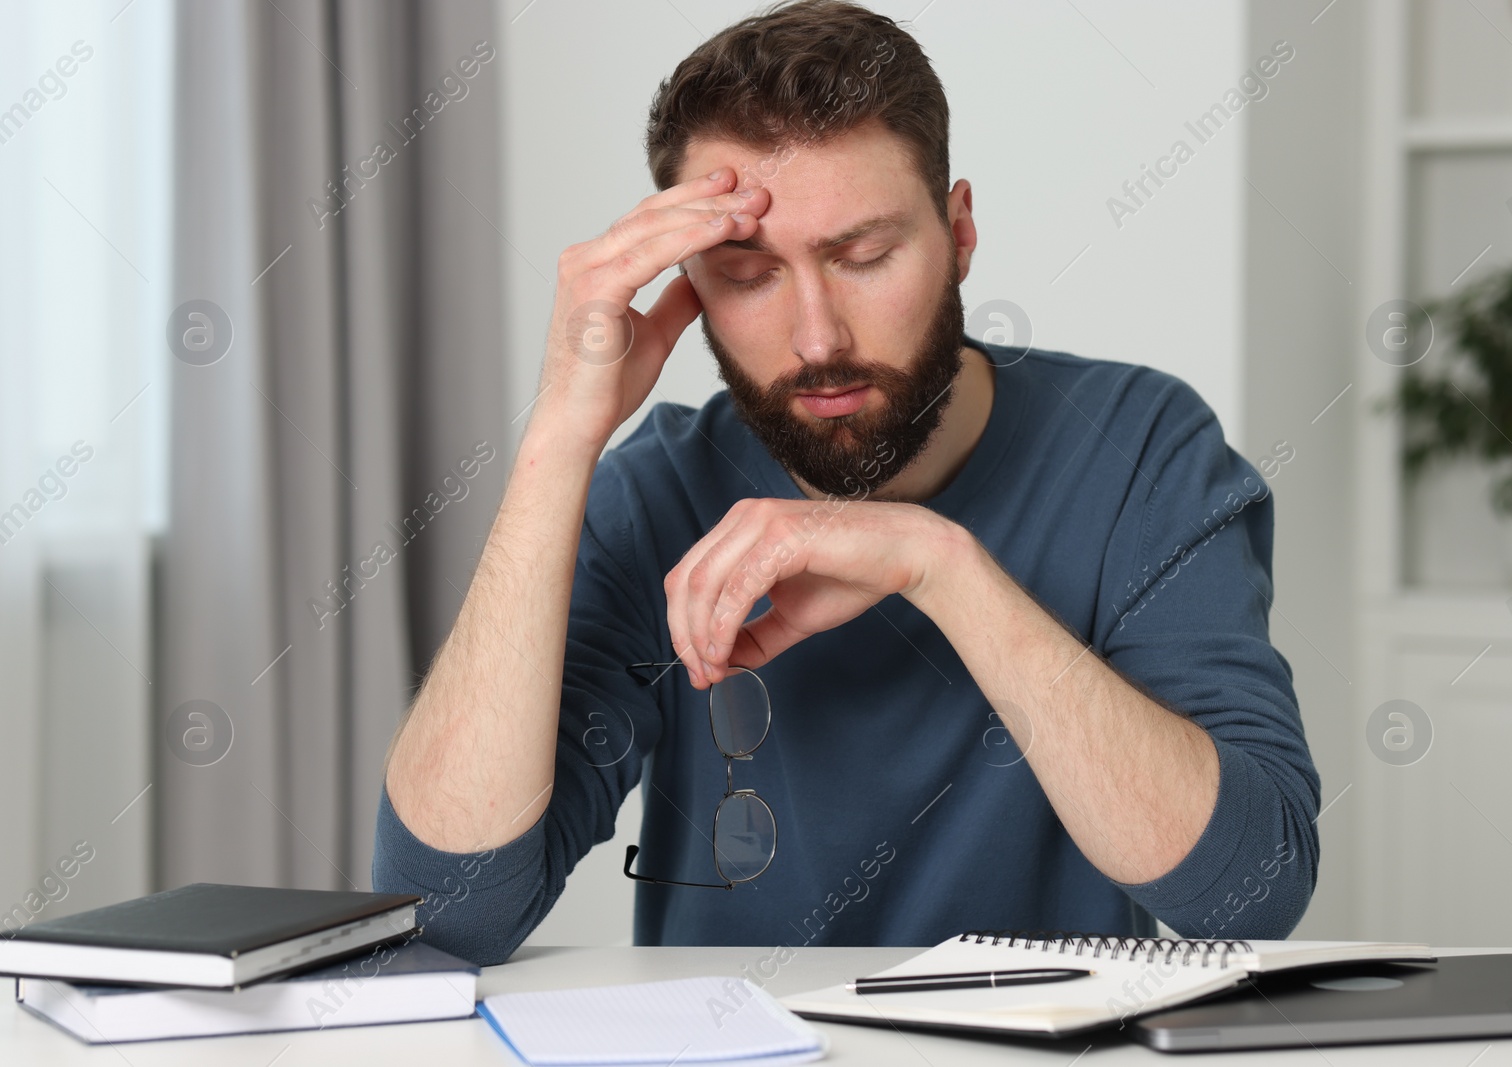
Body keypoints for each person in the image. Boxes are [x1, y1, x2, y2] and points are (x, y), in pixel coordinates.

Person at [374, 0, 1320, 966]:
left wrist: (937, 563)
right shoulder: (656, 492)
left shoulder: (1139, 447)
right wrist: (559, 440)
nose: (818, 338)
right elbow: (450, 913)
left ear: (959, 231)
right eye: (747, 275)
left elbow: (1249, 893)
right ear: (691, 283)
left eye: (863, 257)